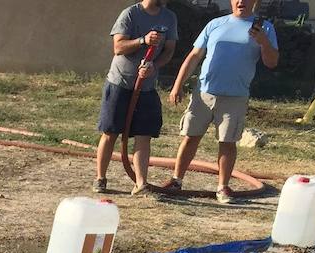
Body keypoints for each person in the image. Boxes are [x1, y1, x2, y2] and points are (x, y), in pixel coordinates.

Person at [162, 0, 278, 203]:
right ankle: (176, 180)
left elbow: (272, 62)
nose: (241, 1)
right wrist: (178, 84)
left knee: (227, 142)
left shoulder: (265, 28)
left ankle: (223, 188)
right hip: (204, 93)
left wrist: (263, 42)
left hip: (236, 96)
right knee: (190, 136)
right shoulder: (215, 24)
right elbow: (194, 56)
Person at [94, 0, 179, 195]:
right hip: (120, 83)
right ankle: (100, 178)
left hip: (146, 87)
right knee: (110, 132)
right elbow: (118, 47)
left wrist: (154, 66)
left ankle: (141, 183)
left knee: (144, 134)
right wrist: (143, 40)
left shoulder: (169, 17)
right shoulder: (130, 14)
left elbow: (169, 50)